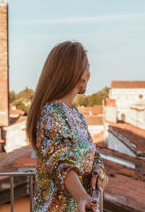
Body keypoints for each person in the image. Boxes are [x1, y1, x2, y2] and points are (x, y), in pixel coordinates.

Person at [26, 41, 108, 212]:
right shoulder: (52, 112)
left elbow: (92, 152)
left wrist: (97, 170)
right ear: (80, 75)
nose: (90, 74)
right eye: (88, 68)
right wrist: (81, 196)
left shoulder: (75, 114)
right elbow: (60, 160)